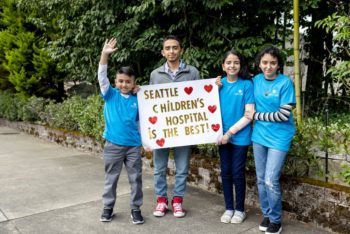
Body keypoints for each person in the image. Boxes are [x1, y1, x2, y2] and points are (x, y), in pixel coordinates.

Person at [245, 46, 296, 234]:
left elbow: (283, 115)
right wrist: (217, 84)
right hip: (259, 137)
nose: (268, 66)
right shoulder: (255, 81)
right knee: (260, 179)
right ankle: (267, 213)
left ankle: (276, 219)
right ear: (259, 64)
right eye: (265, 62)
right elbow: (235, 82)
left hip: (279, 137)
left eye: (273, 63)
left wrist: (256, 115)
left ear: (278, 65)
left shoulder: (285, 83)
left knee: (270, 179)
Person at [150, 35, 200, 218]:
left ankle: (177, 201)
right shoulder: (155, 75)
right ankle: (161, 201)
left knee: (182, 168)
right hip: (161, 129)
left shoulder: (193, 72)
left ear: (181, 50)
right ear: (163, 52)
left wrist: (213, 87)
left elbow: (200, 99)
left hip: (184, 129)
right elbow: (150, 104)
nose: (171, 51)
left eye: (175, 47)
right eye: (168, 48)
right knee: (159, 168)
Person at [98, 38, 144, 224]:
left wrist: (147, 142)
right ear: (116, 82)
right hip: (113, 145)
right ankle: (108, 208)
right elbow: (102, 76)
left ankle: (136, 209)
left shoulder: (138, 98)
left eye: (128, 82)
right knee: (111, 179)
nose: (124, 84)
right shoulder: (110, 95)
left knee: (136, 179)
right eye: (121, 81)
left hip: (133, 146)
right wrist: (105, 55)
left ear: (134, 83)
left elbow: (144, 123)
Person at [215, 51, 254, 224]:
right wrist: (212, 89)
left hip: (240, 136)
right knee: (225, 173)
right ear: (223, 66)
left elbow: (249, 114)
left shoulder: (247, 85)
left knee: (238, 173)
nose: (232, 65)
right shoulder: (218, 85)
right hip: (221, 137)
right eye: (228, 62)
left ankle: (240, 209)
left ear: (240, 65)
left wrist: (230, 133)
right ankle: (228, 208)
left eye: (236, 62)